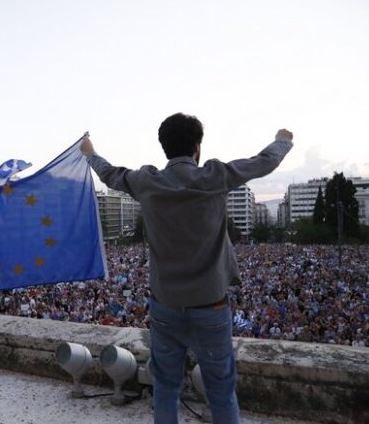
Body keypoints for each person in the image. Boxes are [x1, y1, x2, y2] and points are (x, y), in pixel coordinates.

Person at [79, 114, 293, 424]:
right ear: (197, 147)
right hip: (211, 306)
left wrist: (89, 153)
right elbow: (263, 163)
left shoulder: (146, 181)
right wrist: (283, 140)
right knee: (220, 391)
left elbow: (110, 174)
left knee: (165, 386)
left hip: (165, 306)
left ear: (164, 147)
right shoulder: (215, 176)